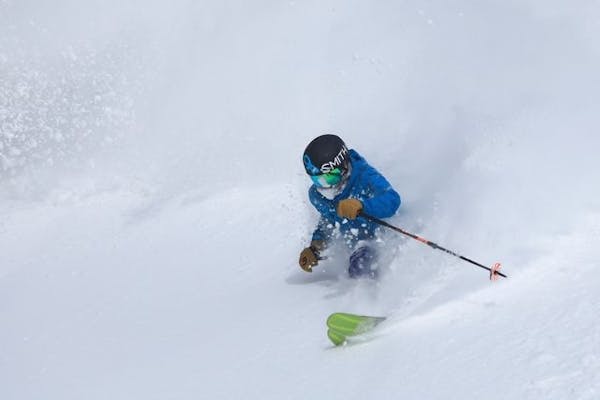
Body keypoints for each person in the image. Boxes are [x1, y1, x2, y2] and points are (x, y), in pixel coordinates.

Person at [299, 134, 401, 278]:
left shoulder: (364, 177)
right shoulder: (318, 196)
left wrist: (362, 205)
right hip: (358, 245)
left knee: (361, 265)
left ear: (343, 166)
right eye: (317, 180)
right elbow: (328, 220)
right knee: (358, 265)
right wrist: (316, 246)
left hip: (384, 238)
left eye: (329, 177)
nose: (325, 185)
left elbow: (393, 200)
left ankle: (380, 295)